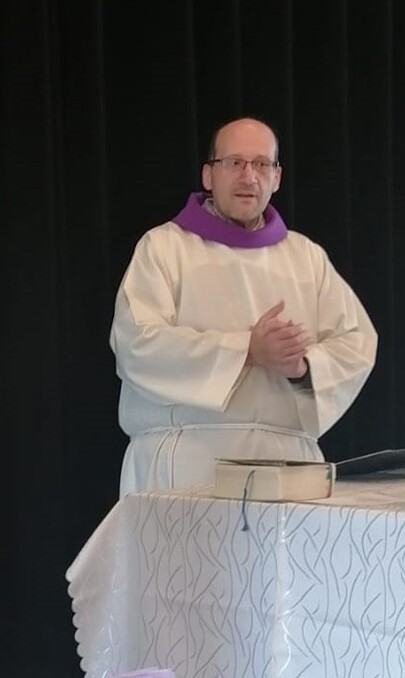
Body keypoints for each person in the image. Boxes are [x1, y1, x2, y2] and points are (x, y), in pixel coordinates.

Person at [111, 117, 377, 494]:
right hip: (186, 459)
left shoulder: (306, 257)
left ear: (277, 178)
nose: (248, 176)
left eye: (261, 164)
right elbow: (136, 344)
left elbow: (357, 343)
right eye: (234, 162)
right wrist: (246, 349)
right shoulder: (164, 248)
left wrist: (303, 368)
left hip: (288, 465)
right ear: (208, 175)